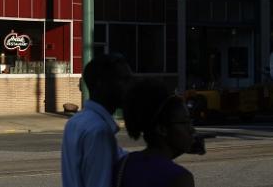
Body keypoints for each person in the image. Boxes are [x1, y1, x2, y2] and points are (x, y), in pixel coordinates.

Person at [61, 54, 133, 187]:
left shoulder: (75, 122)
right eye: (123, 80)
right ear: (101, 84)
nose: (129, 87)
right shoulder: (99, 130)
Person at [114, 79, 196, 187]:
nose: (192, 129)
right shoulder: (179, 178)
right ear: (162, 129)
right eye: (185, 122)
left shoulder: (124, 164)